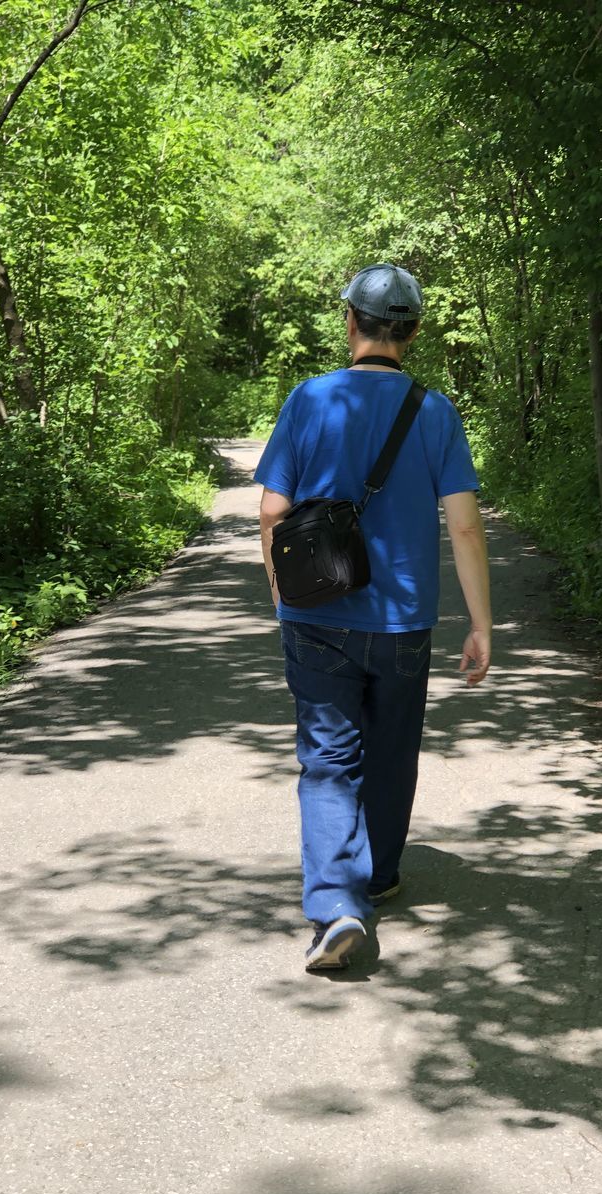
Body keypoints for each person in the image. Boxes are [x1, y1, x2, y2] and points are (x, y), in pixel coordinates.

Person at [255, 263, 491, 973]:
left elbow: (271, 511)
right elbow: (466, 528)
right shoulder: (436, 411)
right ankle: (380, 873)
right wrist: (482, 625)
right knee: (391, 748)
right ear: (412, 333)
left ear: (350, 323)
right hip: (405, 620)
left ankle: (336, 905)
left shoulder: (309, 399)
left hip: (317, 617)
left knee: (328, 761)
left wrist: (284, 598)